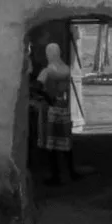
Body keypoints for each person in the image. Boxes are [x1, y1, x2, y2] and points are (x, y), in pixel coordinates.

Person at [35, 42, 84, 186]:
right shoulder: (67, 69)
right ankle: (71, 172)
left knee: (52, 144)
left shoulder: (47, 71)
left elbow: (38, 87)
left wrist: (46, 97)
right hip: (64, 108)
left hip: (51, 110)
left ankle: (55, 176)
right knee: (65, 143)